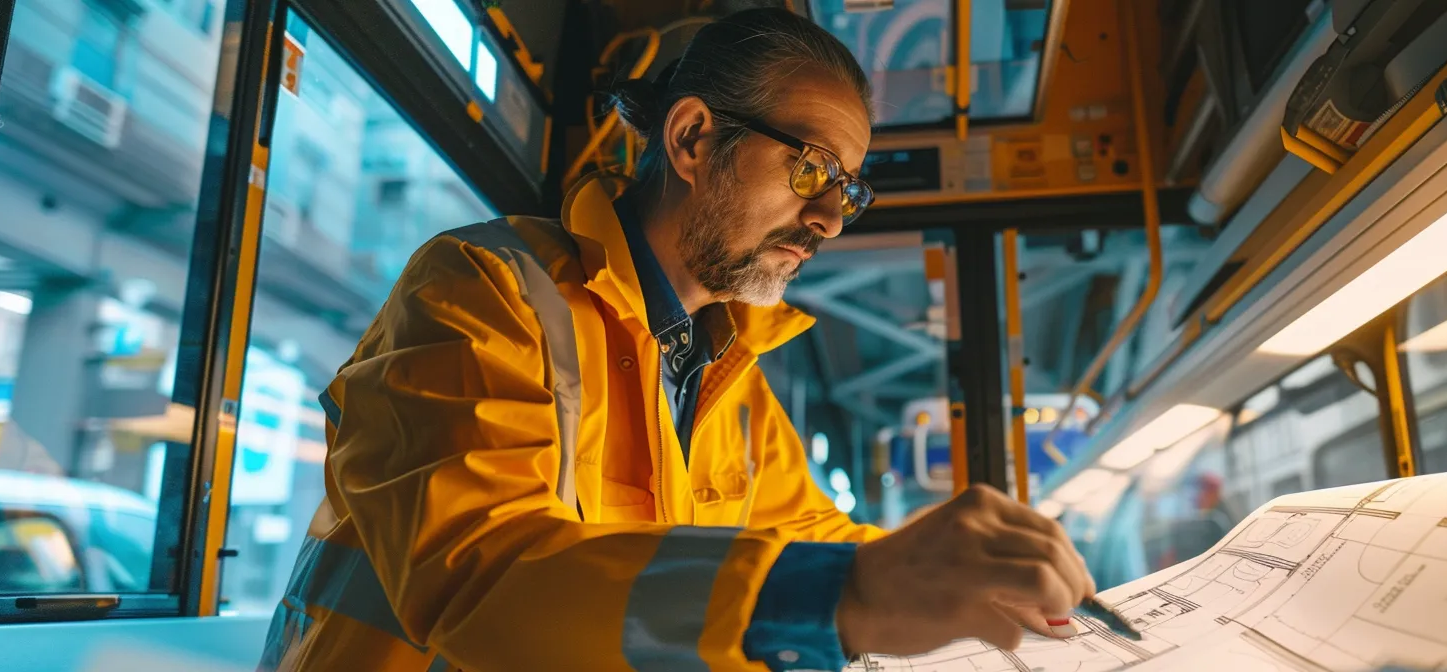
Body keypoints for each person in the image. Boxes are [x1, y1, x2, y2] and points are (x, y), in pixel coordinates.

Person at [258, 8, 1093, 671]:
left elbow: (816, 535)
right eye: (811, 171)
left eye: (849, 190)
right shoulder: (482, 290)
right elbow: (485, 575)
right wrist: (845, 595)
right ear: (693, 138)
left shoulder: (729, 373)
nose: (832, 220)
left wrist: (978, 575)